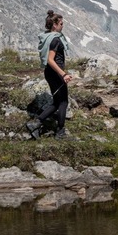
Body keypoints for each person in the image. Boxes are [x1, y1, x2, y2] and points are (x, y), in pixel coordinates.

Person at [27, 10, 73, 140]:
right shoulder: (55, 40)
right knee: (63, 101)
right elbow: (50, 60)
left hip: (49, 73)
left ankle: (35, 123)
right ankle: (60, 132)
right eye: (61, 24)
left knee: (57, 101)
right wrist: (63, 74)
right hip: (56, 73)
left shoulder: (46, 37)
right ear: (54, 25)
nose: (62, 26)